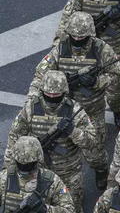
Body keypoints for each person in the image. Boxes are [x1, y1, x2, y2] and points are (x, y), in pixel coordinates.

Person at [30, 12, 120, 191]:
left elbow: (116, 74)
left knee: (94, 151)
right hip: (62, 111)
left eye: (82, 36)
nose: (77, 38)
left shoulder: (101, 49)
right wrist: (36, 98)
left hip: (91, 109)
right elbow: (40, 74)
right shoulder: (60, 49)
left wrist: (96, 82)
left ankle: (101, 169)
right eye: (74, 35)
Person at [4, 71, 96, 212]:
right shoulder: (30, 109)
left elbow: (92, 142)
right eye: (48, 94)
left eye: (56, 95)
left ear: (64, 92)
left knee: (73, 206)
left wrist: (73, 131)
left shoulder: (74, 110)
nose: (52, 97)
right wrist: (9, 169)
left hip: (68, 171)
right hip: (35, 172)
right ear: (42, 91)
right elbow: (14, 137)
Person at [0, 136, 75, 212]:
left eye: (28, 165)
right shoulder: (4, 178)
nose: (24, 168)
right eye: (20, 164)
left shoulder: (52, 180)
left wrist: (44, 209)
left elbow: (70, 210)